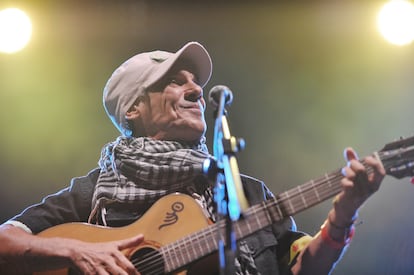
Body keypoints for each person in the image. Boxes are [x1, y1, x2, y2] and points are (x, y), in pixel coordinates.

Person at [0, 41, 385, 275]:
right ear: (133, 109)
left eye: (195, 82)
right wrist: (75, 249)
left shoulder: (238, 189)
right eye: (175, 80)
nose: (195, 89)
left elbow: (303, 268)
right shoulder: (92, 191)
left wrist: (344, 212)